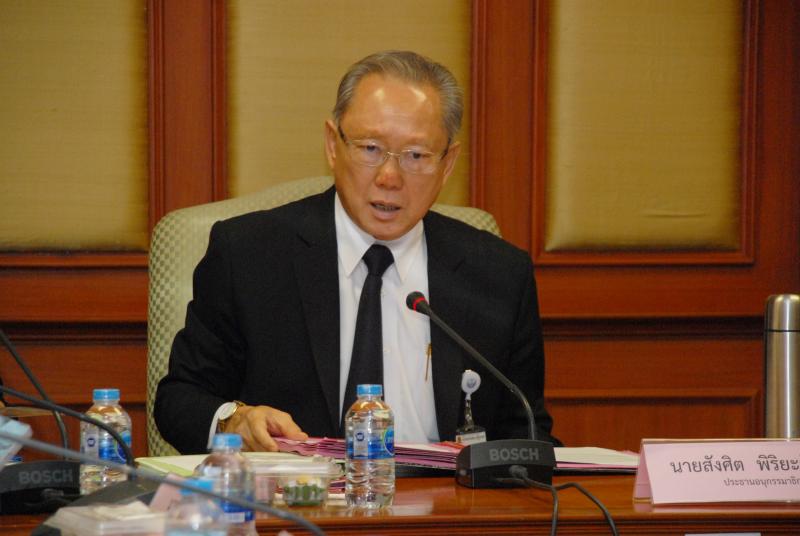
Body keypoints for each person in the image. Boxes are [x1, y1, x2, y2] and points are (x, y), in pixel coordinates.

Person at [155, 50, 559, 454]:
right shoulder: (249, 254)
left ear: (447, 163)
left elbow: (526, 431)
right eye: (370, 149)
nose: (389, 177)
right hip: (297, 492)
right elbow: (180, 400)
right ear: (333, 145)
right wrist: (234, 420)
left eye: (416, 156)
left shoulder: (499, 275)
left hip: (443, 494)